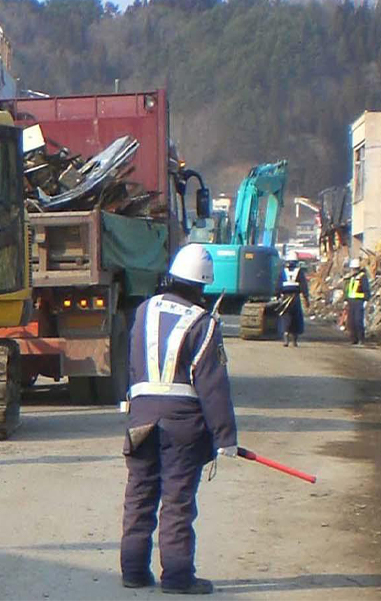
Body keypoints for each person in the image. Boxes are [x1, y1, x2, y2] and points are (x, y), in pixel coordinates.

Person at [120, 243, 238, 595]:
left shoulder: (143, 311)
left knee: (139, 493)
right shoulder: (203, 323)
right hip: (182, 426)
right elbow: (213, 386)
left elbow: (132, 364)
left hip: (140, 417)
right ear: (201, 286)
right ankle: (176, 576)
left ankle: (134, 571)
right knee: (177, 499)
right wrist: (225, 437)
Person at [280, 252, 310, 347]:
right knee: (296, 318)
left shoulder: (283, 272)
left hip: (285, 298)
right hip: (295, 298)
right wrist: (306, 298)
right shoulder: (299, 272)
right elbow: (303, 286)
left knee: (286, 318)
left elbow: (278, 285)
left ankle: (286, 339)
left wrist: (277, 296)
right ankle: (294, 340)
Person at [343, 258, 370, 344]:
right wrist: (346, 299)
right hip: (351, 302)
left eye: (354, 269)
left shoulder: (362, 277)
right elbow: (348, 290)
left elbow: (366, 290)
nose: (352, 270)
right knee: (351, 321)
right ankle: (354, 339)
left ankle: (361, 339)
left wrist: (366, 299)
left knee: (358, 320)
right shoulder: (352, 278)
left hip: (359, 301)